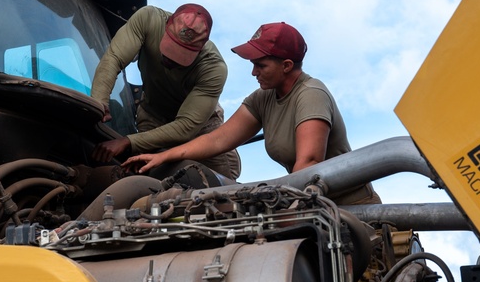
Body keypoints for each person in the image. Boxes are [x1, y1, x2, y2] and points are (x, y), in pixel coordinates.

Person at [123, 21, 380, 204]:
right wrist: (162, 157)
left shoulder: (311, 94)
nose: (253, 72)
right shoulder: (263, 98)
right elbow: (219, 139)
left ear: (287, 65)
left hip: (351, 207)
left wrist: (280, 206)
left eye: (260, 65)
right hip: (311, 200)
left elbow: (308, 165)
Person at [89, 3, 241, 179]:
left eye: (182, 54)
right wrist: (100, 100)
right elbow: (114, 58)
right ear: (167, 24)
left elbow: (186, 126)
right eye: (171, 47)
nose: (171, 58)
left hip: (199, 126)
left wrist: (128, 141)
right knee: (139, 172)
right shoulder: (148, 19)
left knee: (220, 183)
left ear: (200, 49)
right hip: (153, 114)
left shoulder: (213, 68)